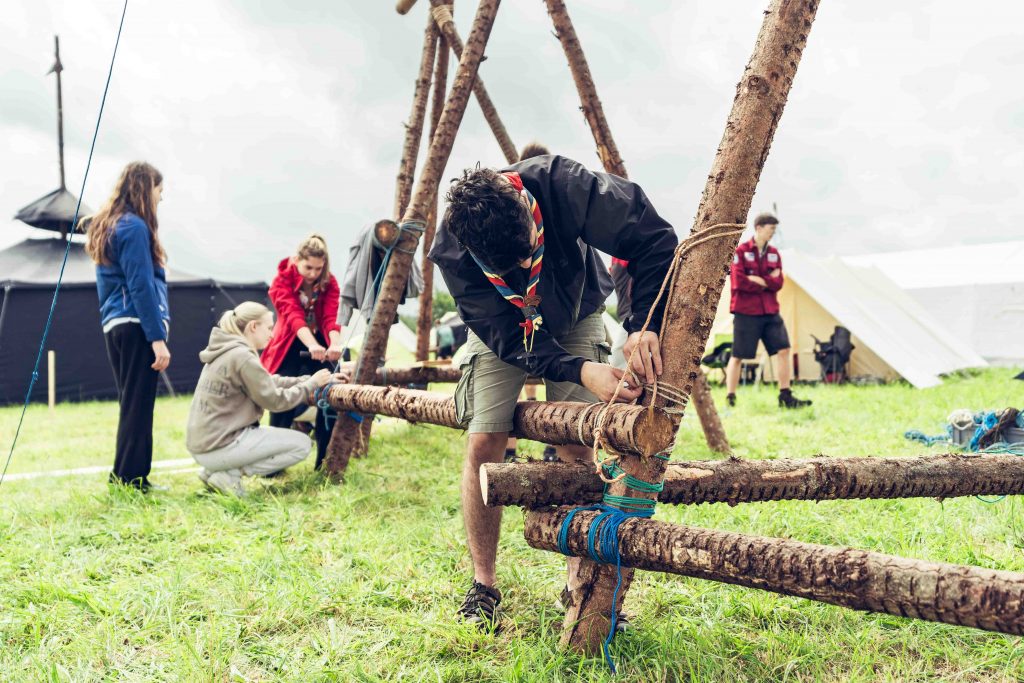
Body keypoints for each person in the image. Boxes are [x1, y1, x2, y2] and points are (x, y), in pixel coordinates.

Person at [429, 155, 676, 629]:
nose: (526, 266)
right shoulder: (453, 250)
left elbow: (653, 237)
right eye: (510, 264)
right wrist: (580, 370)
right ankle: (483, 585)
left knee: (578, 444)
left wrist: (644, 322)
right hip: (503, 328)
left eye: (527, 251)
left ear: (525, 202)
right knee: (485, 439)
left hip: (577, 312)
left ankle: (577, 585)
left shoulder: (565, 185)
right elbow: (505, 336)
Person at [187, 302, 349, 496]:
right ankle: (229, 474)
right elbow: (275, 401)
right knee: (302, 445)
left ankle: (214, 471)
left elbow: (268, 381)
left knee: (293, 441)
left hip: (204, 446)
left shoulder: (226, 350)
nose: (272, 335)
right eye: (269, 328)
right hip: (219, 447)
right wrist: (311, 384)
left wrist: (309, 380)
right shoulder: (242, 356)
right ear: (253, 327)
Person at [85, 161, 170, 493]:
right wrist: (157, 337)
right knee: (138, 405)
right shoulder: (133, 227)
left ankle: (124, 476)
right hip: (136, 324)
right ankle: (132, 481)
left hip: (116, 324)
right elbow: (140, 285)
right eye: (159, 190)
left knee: (131, 403)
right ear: (145, 188)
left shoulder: (110, 225)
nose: (161, 197)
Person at [262, 234, 345, 469]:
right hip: (289, 343)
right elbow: (292, 316)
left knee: (333, 392)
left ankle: (325, 463)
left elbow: (331, 316)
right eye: (308, 267)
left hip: (319, 340)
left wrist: (334, 344)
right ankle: (273, 466)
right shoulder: (281, 280)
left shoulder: (330, 282)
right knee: (282, 400)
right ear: (297, 260)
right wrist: (312, 345)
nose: (313, 273)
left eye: (318, 268)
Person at [724, 213, 811, 409]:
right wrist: (767, 280)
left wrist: (759, 280)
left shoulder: (774, 253)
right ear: (759, 228)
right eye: (771, 228)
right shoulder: (740, 251)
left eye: (774, 229)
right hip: (746, 311)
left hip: (770, 310)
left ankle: (785, 395)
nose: (773, 233)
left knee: (784, 349)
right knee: (738, 355)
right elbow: (739, 282)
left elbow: (779, 282)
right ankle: (731, 397)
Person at [337, 219, 423, 329]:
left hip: (388, 300)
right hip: (376, 307)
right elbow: (349, 285)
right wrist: (343, 316)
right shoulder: (368, 250)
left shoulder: (401, 245)